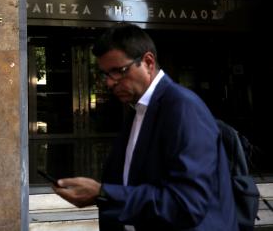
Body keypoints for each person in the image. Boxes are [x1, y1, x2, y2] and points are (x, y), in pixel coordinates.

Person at [52, 23, 238, 231]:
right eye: (105, 74)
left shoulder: (182, 107)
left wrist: (103, 193)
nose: (110, 83)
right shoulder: (138, 108)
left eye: (118, 71)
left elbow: (187, 203)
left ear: (148, 62)